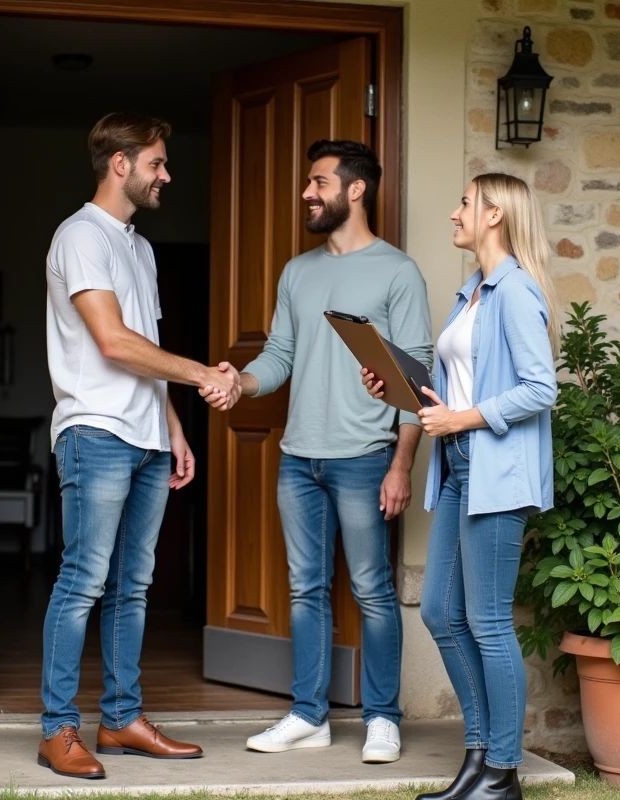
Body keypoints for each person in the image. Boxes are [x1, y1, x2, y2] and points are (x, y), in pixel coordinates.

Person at [201, 140, 432, 763]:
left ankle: (383, 717)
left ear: (355, 190)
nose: (307, 192)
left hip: (365, 457)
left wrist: (401, 463)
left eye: (319, 182)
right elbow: (280, 357)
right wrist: (239, 382)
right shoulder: (297, 272)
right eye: (309, 182)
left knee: (372, 590)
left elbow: (418, 378)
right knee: (305, 589)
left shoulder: (397, 271)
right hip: (299, 457)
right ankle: (309, 715)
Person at [39, 112, 236, 779]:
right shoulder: (80, 237)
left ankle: (121, 717)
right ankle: (56, 728)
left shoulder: (141, 249)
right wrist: (206, 375)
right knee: (83, 581)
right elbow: (115, 343)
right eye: (157, 163)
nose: (166, 176)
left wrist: (175, 429)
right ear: (119, 164)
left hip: (147, 438)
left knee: (133, 587)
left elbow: (146, 356)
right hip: (95, 432)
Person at [361, 173, 559, 800]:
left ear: (495, 214)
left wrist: (461, 419)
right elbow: (460, 386)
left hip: (495, 467)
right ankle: (478, 758)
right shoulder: (471, 292)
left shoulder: (517, 292)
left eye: (466, 204)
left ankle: (501, 772)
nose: (455, 213)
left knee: (489, 621)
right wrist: (399, 388)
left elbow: (540, 388)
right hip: (458, 465)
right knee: (444, 613)